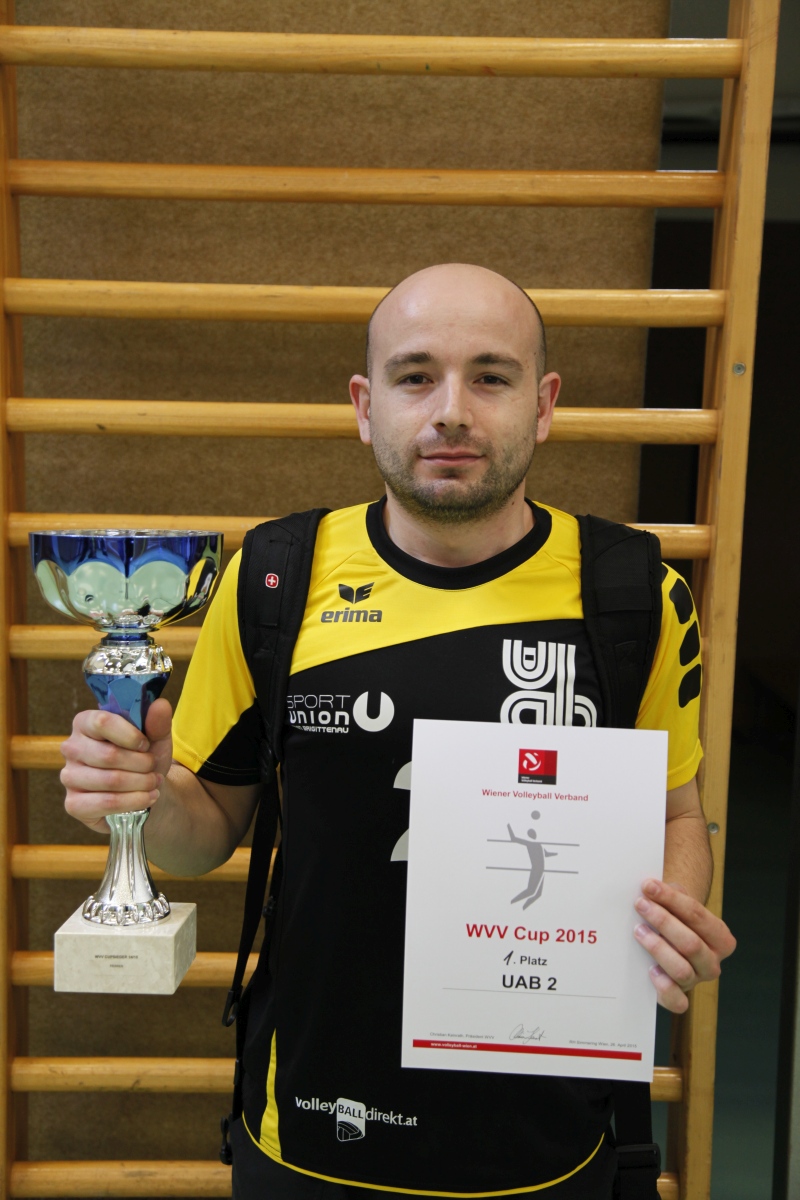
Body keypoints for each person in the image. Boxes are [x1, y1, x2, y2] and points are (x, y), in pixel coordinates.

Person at [60, 263, 736, 1198]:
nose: (451, 410)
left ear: (543, 405)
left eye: (491, 377)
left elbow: (675, 815)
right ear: (365, 404)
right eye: (416, 376)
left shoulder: (634, 595)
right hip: (311, 1128)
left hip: (546, 1146)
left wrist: (676, 913)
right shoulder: (274, 578)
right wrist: (137, 800)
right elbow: (202, 829)